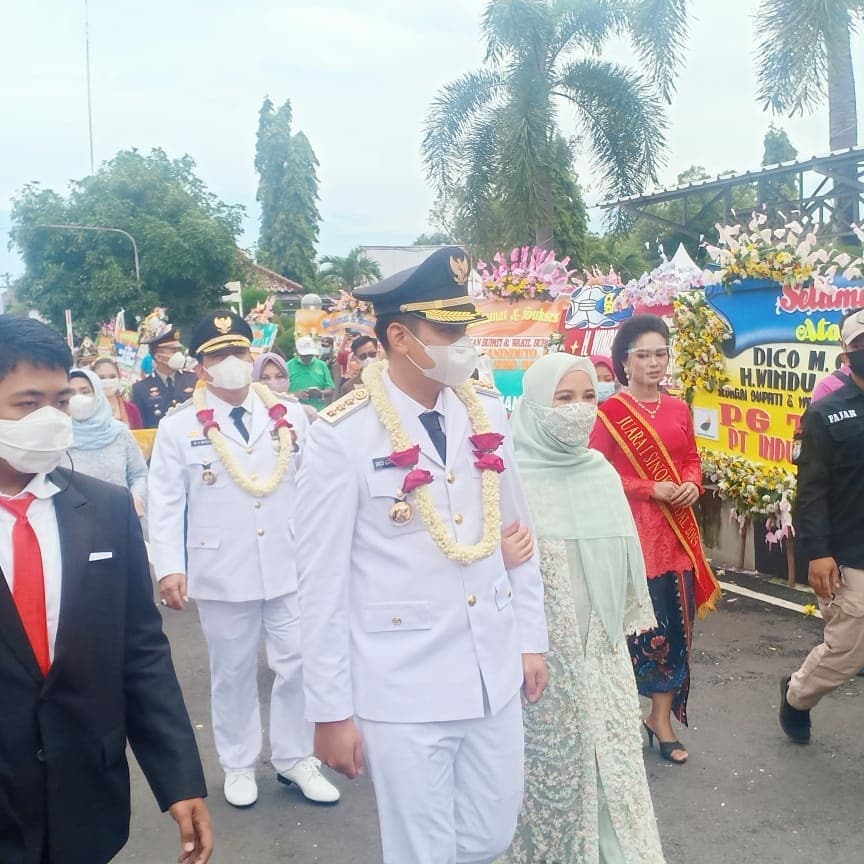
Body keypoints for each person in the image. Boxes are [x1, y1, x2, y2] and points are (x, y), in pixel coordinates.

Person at [295, 246, 549, 864]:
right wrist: (330, 711)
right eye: (449, 330)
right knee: (423, 851)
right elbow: (321, 583)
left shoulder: (485, 408)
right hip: (401, 682)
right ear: (402, 337)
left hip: (491, 666)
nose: (465, 343)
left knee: (491, 836)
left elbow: (519, 530)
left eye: (466, 328)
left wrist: (529, 636)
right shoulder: (342, 436)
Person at [0, 314, 211, 864]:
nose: (49, 419)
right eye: (27, 404)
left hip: (85, 795)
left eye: (60, 402)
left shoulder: (105, 509)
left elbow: (140, 652)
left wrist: (179, 778)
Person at [148, 311, 339, 809]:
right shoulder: (178, 426)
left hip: (289, 558)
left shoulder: (291, 415)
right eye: (218, 355)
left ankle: (296, 758)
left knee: (298, 662)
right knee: (231, 671)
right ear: (202, 366)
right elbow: (166, 502)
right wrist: (169, 566)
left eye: (239, 352)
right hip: (220, 568)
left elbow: (317, 485)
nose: (231, 363)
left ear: (252, 356)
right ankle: (237, 763)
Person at [502, 353, 664, 864]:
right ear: (534, 406)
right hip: (541, 654)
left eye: (590, 396)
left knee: (611, 761)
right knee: (551, 763)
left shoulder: (601, 472)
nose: (579, 410)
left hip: (602, 651)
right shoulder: (509, 478)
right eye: (564, 398)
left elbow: (623, 565)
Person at [590, 314, 719, 765]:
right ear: (624, 362)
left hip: (676, 537)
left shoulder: (678, 408)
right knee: (632, 633)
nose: (653, 362)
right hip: (630, 539)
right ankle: (622, 717)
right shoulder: (609, 414)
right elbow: (597, 474)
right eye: (642, 355)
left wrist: (690, 484)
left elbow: (691, 459)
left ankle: (660, 719)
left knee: (675, 629)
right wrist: (649, 488)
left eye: (660, 353)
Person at [780, 310, 864, 743]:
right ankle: (796, 694)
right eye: (861, 346)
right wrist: (817, 551)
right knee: (847, 653)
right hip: (851, 553)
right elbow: (810, 489)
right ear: (847, 354)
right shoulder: (826, 413)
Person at [67, 368, 148, 517]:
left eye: (85, 392)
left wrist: (136, 500)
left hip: (120, 517)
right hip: (74, 522)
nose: (78, 398)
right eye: (71, 393)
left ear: (98, 394)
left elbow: (138, 474)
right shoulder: (58, 437)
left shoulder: (119, 433)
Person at [131, 329, 197, 428]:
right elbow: (140, 425)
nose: (179, 355)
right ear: (158, 357)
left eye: (179, 350)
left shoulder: (194, 379)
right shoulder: (140, 388)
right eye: (173, 351)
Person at [252, 352, 318, 423]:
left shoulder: (305, 413)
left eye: (279, 376)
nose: (273, 383)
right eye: (264, 378)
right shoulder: (249, 412)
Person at [91, 357, 142, 429]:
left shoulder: (131, 410)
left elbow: (139, 436)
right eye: (101, 377)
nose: (107, 381)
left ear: (119, 377)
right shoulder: (87, 410)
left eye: (112, 376)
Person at [288, 336, 335, 411]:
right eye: (304, 355)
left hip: (318, 410)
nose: (307, 358)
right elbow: (280, 393)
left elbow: (330, 389)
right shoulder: (288, 366)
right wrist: (295, 395)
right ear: (297, 351)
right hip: (295, 411)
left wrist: (320, 393)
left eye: (310, 355)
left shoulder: (321, 365)